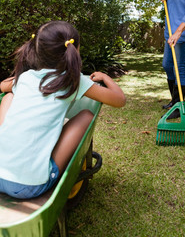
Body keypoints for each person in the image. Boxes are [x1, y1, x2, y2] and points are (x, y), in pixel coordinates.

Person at [0, 20, 126, 199]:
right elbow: (119, 100)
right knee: (86, 115)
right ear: (74, 50)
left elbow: (3, 86)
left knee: (9, 97)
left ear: (36, 49)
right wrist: (105, 77)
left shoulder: (25, 77)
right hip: (29, 187)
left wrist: (16, 80)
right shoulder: (73, 81)